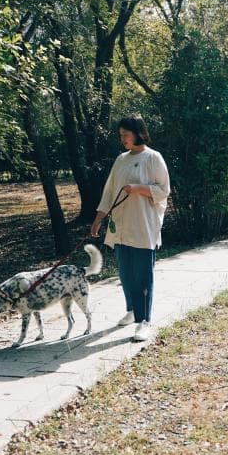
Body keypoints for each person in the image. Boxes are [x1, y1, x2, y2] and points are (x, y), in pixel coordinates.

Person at [90, 115, 170, 342]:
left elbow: (163, 190)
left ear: (138, 133)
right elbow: (109, 193)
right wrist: (98, 219)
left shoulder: (153, 158)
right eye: (120, 135)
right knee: (125, 273)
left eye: (125, 134)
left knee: (143, 275)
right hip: (120, 227)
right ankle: (131, 310)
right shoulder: (121, 160)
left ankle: (144, 321)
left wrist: (139, 188)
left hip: (144, 227)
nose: (122, 139)